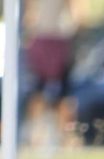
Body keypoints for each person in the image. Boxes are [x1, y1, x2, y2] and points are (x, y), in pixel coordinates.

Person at [21, 0, 83, 148]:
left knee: (52, 94)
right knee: (45, 93)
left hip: (50, 38)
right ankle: (41, 135)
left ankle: (57, 136)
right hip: (53, 38)